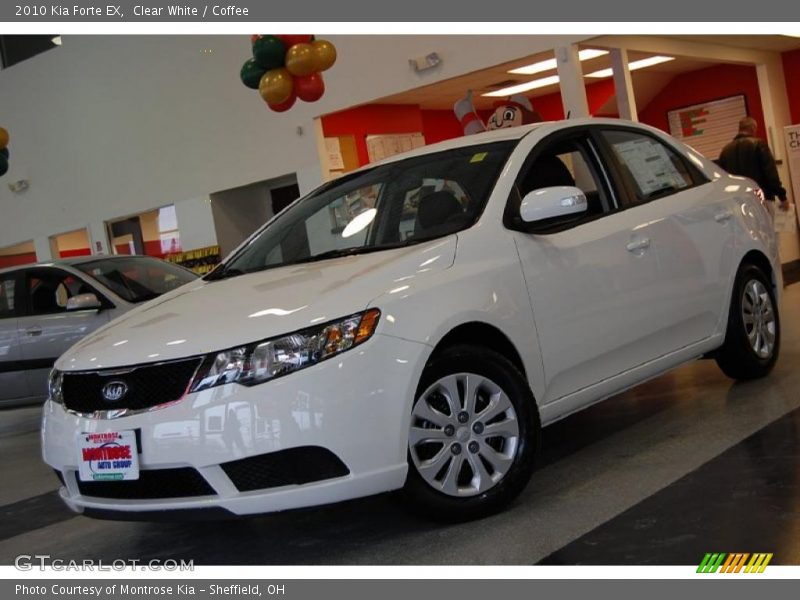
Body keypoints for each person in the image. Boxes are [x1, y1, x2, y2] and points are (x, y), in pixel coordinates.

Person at [718, 117, 789, 216]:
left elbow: (722, 179)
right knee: (767, 229)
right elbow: (771, 174)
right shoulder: (759, 144)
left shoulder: (725, 151)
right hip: (761, 198)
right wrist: (782, 197)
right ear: (752, 128)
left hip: (737, 202)